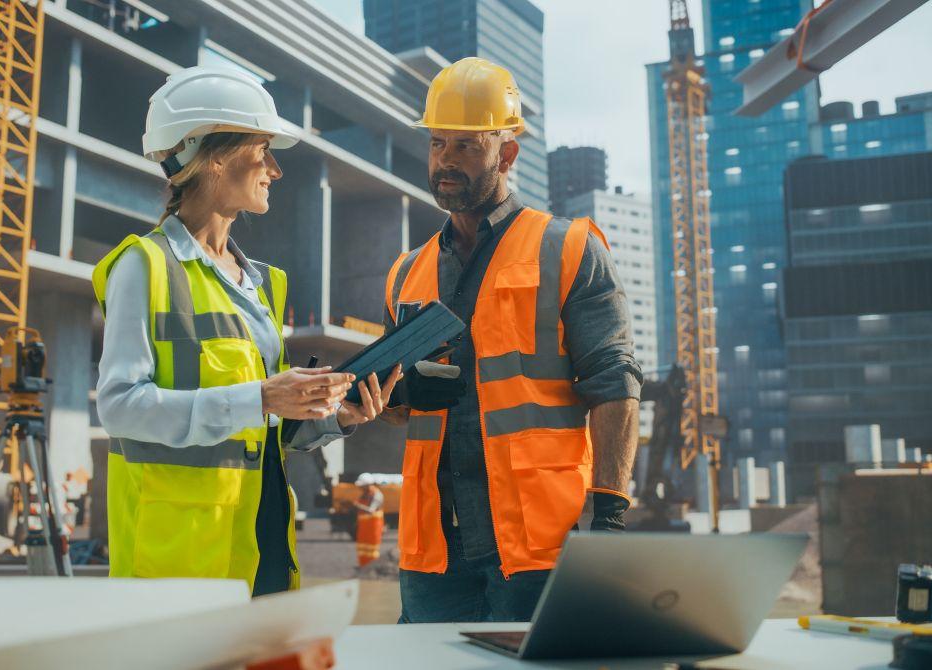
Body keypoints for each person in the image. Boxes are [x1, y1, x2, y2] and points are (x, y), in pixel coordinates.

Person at [93, 66, 401, 596]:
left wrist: (331, 417)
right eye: (262, 151)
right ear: (214, 156)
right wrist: (260, 396)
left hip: (263, 540)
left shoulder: (262, 284)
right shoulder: (144, 266)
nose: (275, 170)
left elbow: (260, 432)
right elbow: (119, 406)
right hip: (180, 556)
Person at [380, 57, 642, 622]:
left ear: (507, 153)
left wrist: (610, 515)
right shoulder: (407, 272)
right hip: (433, 551)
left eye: (466, 147)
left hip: (537, 545)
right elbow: (394, 407)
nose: (446, 161)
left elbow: (614, 385)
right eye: (437, 144)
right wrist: (398, 398)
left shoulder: (568, 248)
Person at [352, 474, 385, 568]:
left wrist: (357, 506)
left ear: (367, 485)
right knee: (362, 547)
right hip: (364, 527)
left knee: (372, 548)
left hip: (373, 526)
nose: (360, 488)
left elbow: (371, 510)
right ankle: (363, 566)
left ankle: (372, 566)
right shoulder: (364, 494)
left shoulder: (377, 495)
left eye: (362, 486)